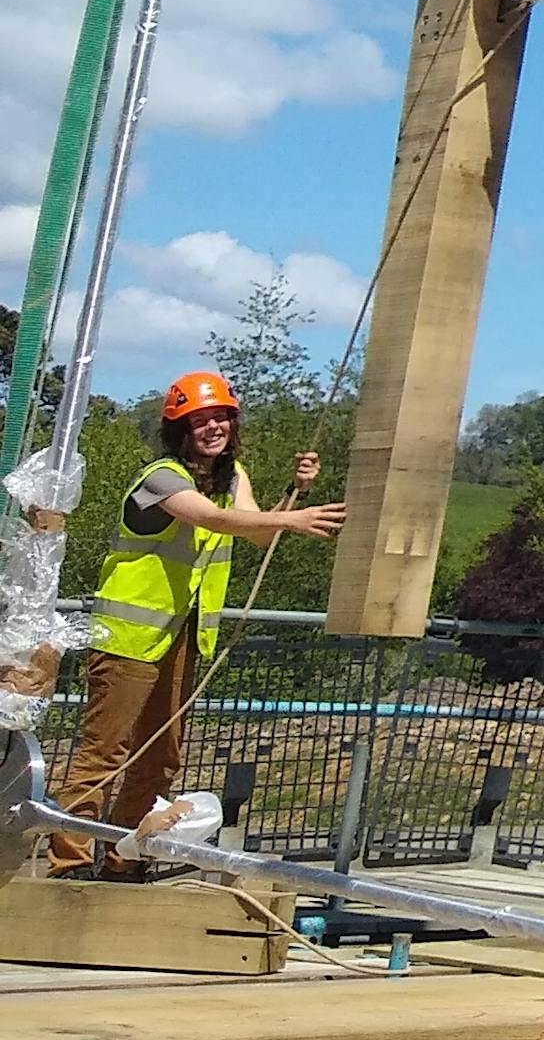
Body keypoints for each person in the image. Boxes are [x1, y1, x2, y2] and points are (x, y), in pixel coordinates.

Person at [40, 371, 340, 877]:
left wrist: (292, 495)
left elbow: (258, 535)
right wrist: (290, 519)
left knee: (159, 758)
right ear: (178, 429)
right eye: (199, 420)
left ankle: (124, 861)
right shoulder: (160, 478)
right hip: (129, 637)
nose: (213, 427)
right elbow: (213, 520)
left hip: (182, 637)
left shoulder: (233, 477)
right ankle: (66, 865)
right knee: (103, 754)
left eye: (221, 416)